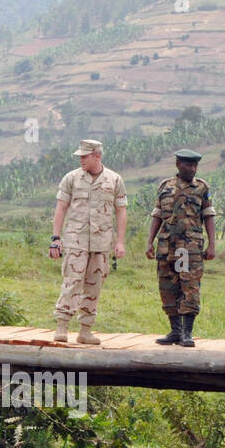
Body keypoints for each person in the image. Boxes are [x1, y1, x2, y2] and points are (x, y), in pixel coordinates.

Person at [49, 139, 127, 345]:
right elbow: (61, 208)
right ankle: (62, 326)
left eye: (85, 156)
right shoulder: (72, 178)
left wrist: (120, 241)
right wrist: (56, 238)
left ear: (97, 156)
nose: (81, 160)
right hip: (76, 240)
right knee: (72, 282)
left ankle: (85, 330)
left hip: (101, 243)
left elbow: (121, 210)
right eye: (80, 156)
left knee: (94, 286)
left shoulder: (114, 180)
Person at [147, 149, 216, 347]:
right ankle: (175, 331)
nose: (193, 169)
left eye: (195, 166)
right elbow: (158, 215)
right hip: (166, 246)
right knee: (168, 287)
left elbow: (209, 215)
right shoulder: (164, 186)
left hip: (189, 248)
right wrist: (149, 242)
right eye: (188, 165)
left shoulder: (202, 188)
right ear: (178, 164)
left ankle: (187, 333)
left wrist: (212, 244)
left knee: (190, 287)